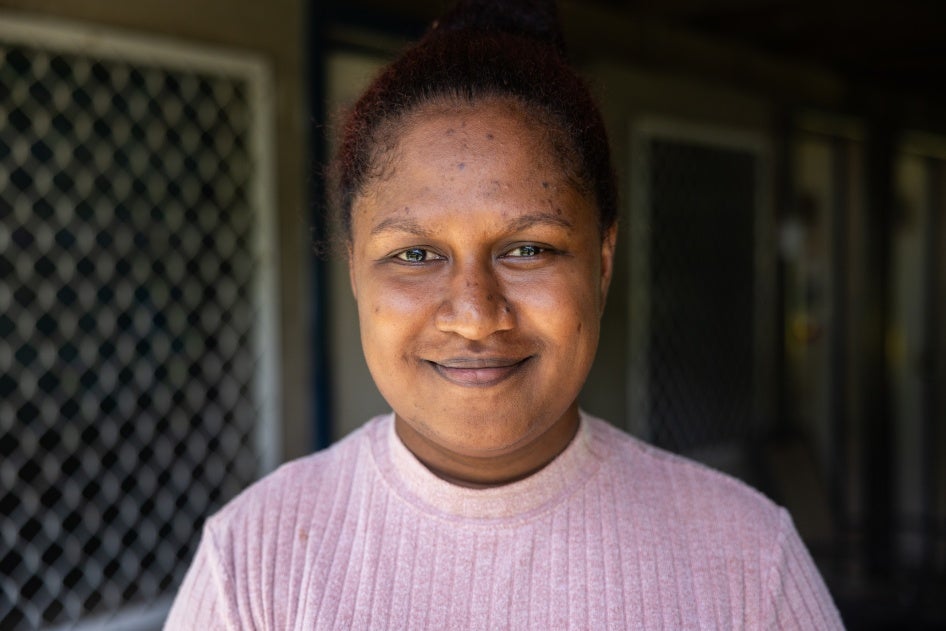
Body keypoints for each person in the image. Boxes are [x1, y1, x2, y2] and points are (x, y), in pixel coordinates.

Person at [165, 0, 844, 628]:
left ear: (602, 262)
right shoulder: (253, 561)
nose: (475, 315)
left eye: (527, 248)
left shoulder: (751, 563)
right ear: (351, 267)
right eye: (415, 253)